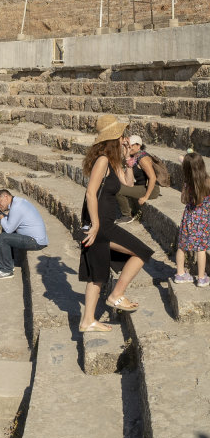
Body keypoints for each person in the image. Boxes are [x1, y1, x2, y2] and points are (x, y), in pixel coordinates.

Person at [75, 115, 154, 334]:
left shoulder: (112, 161)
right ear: (114, 137)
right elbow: (91, 193)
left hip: (102, 222)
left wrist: (129, 158)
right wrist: (97, 224)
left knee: (97, 275)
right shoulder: (102, 160)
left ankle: (87, 321)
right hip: (100, 223)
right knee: (142, 252)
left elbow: (128, 183)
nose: (125, 138)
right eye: (122, 135)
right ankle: (116, 295)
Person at [0, 188, 48, 279]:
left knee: (3, 237)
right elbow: (11, 221)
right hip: (34, 239)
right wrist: (1, 214)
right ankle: (9, 263)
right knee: (5, 229)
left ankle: (7, 270)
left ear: (6, 197)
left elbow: (8, 229)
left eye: (0, 202)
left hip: (36, 242)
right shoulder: (17, 203)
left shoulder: (16, 207)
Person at [172, 151, 210, 287]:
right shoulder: (207, 182)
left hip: (189, 217)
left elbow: (182, 159)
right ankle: (201, 278)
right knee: (201, 248)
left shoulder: (188, 181)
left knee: (181, 246)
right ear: (202, 165)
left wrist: (185, 160)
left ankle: (180, 274)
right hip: (203, 220)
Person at [116, 135, 164, 223]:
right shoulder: (134, 156)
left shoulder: (143, 159)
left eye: (132, 145)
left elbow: (152, 178)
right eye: (129, 145)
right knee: (118, 185)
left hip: (151, 190)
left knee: (118, 189)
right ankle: (130, 211)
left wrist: (146, 197)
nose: (129, 147)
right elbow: (125, 165)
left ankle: (127, 215)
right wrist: (124, 148)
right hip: (141, 186)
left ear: (138, 146)